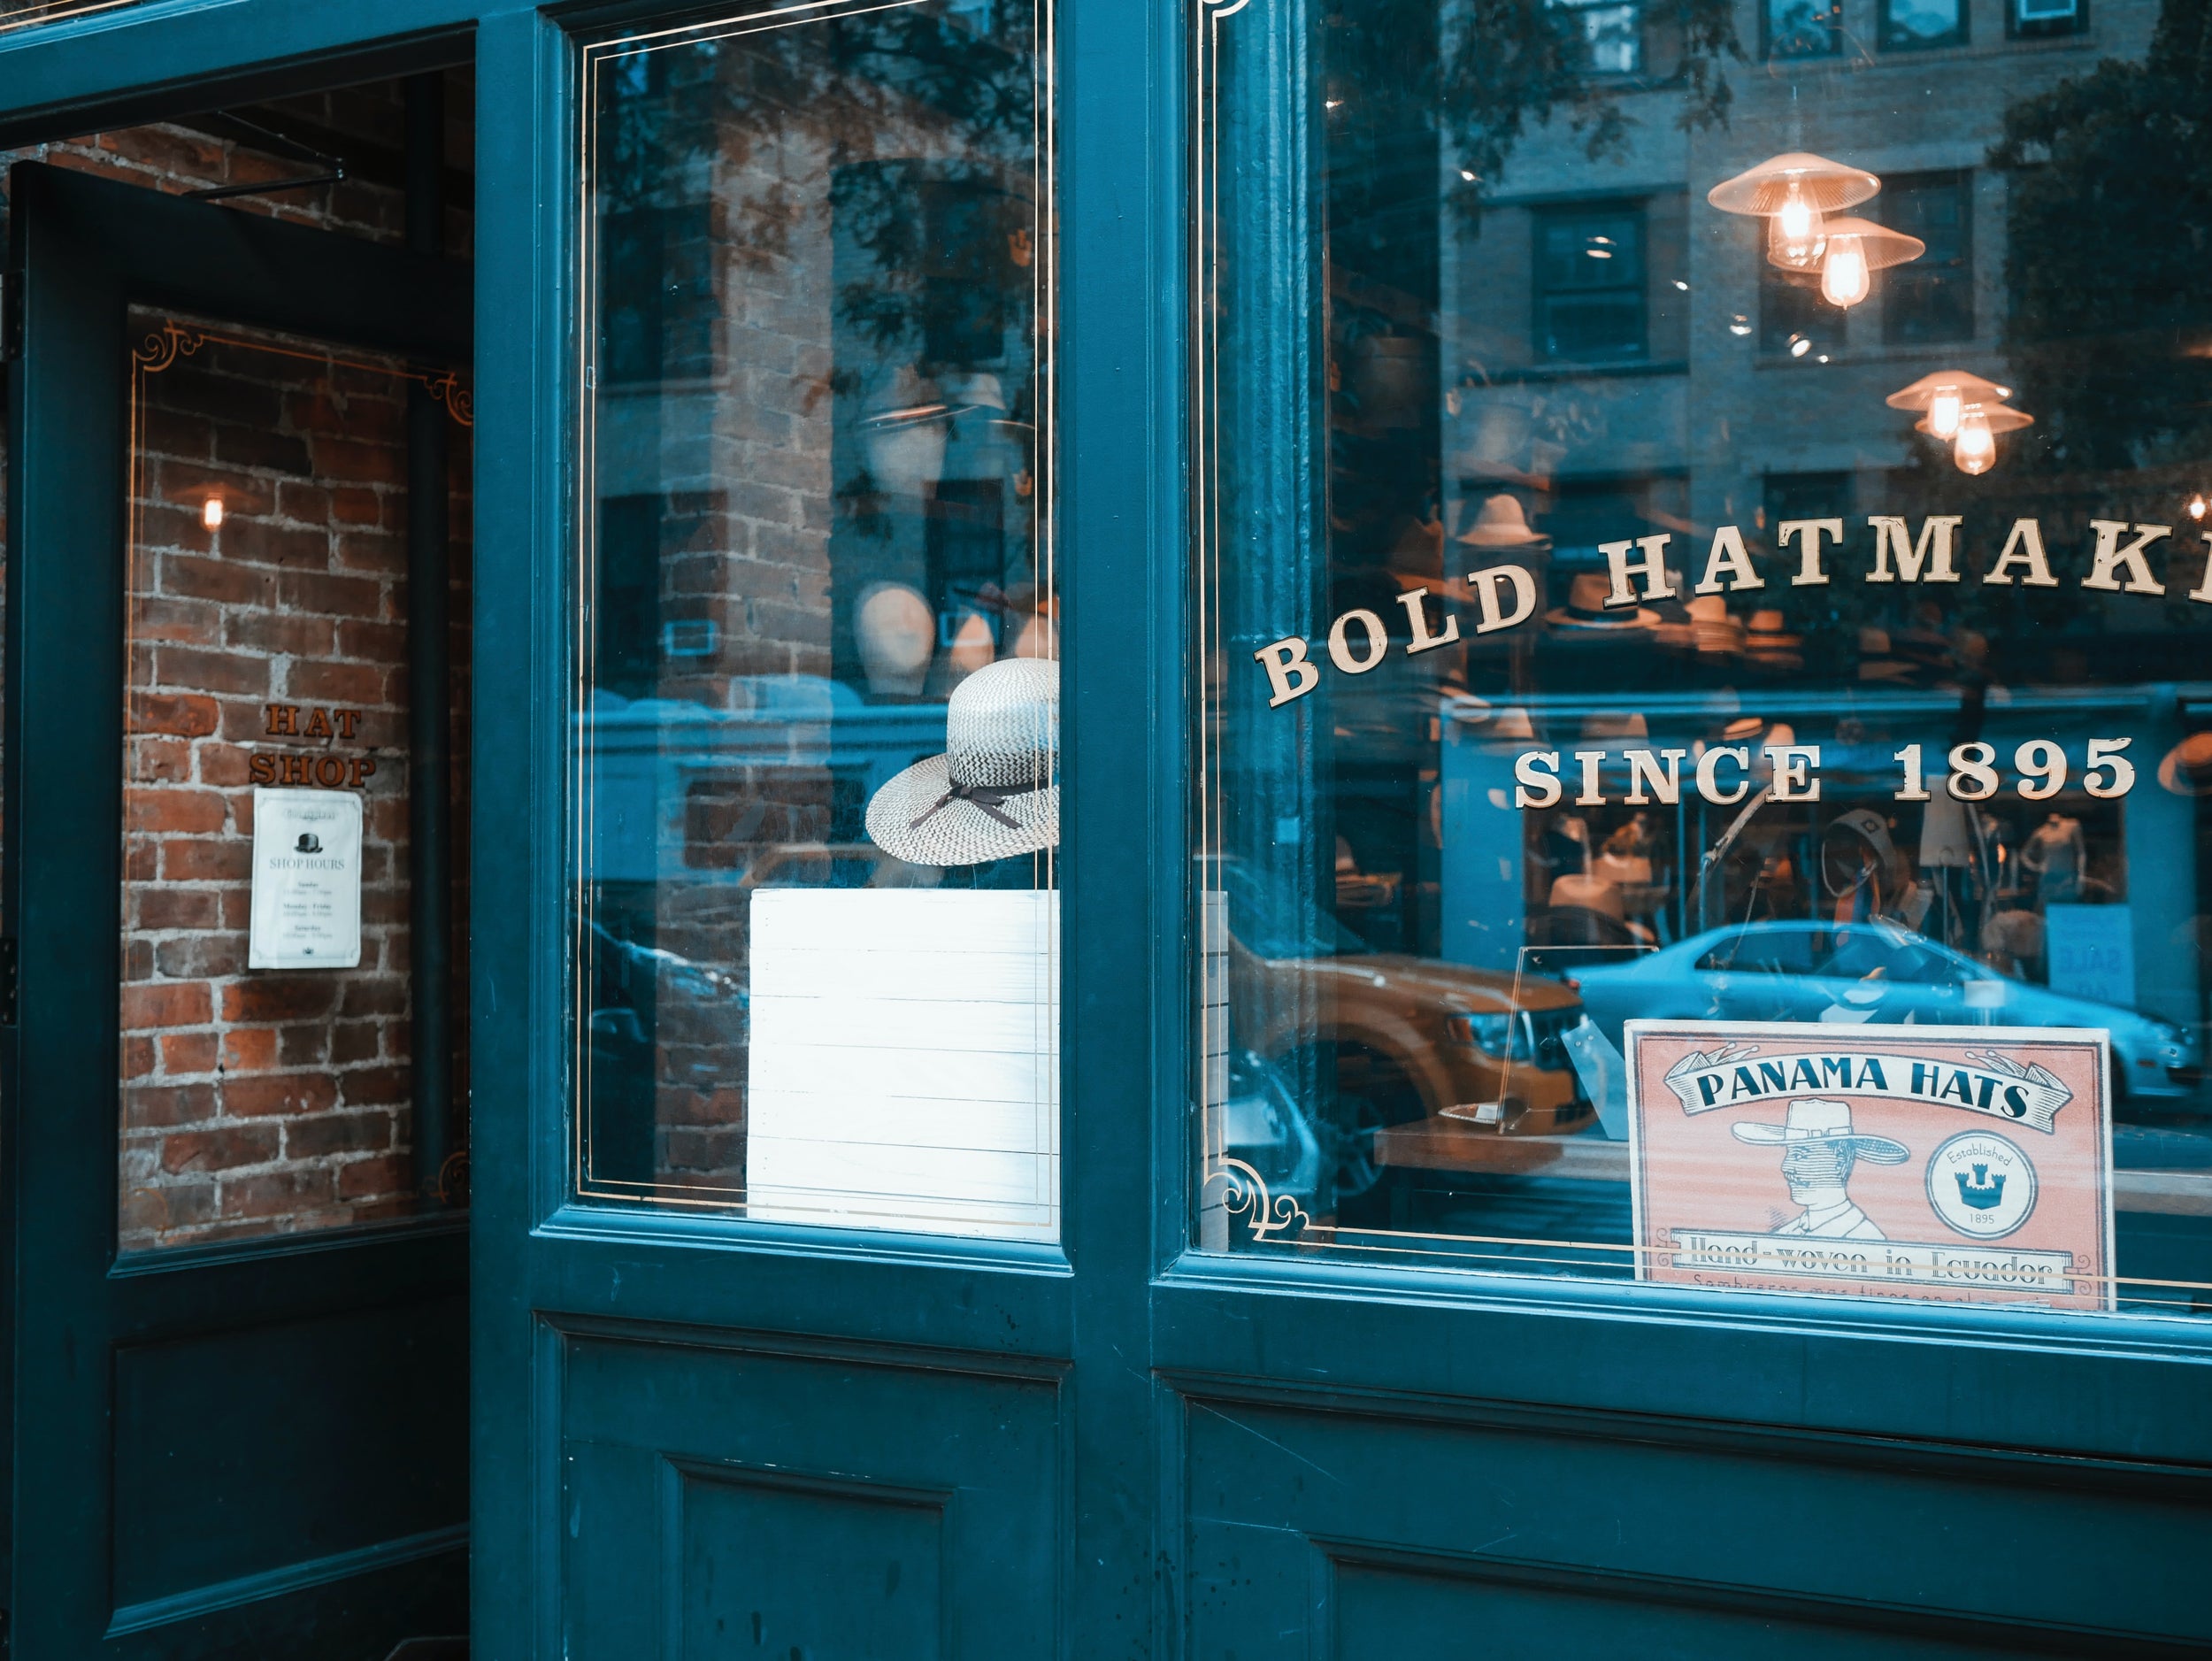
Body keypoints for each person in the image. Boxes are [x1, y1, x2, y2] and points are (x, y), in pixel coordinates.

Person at [1731, 1098, 1910, 1240]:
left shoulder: (1865, 1239)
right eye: (1789, 1153)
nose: (1786, 1167)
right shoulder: (1786, 1233)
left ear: (1840, 1160)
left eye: (1800, 1155)